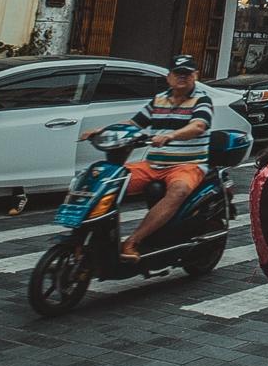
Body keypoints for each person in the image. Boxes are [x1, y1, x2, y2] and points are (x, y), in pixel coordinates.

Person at [78, 53, 212, 261]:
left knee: (179, 190)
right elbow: (134, 124)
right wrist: (102, 130)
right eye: (178, 73)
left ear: (195, 75)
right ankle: (91, 237)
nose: (182, 78)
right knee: (109, 181)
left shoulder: (202, 100)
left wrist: (171, 135)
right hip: (153, 164)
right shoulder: (159, 100)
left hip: (187, 164)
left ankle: (133, 241)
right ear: (169, 76)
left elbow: (199, 125)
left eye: (187, 74)